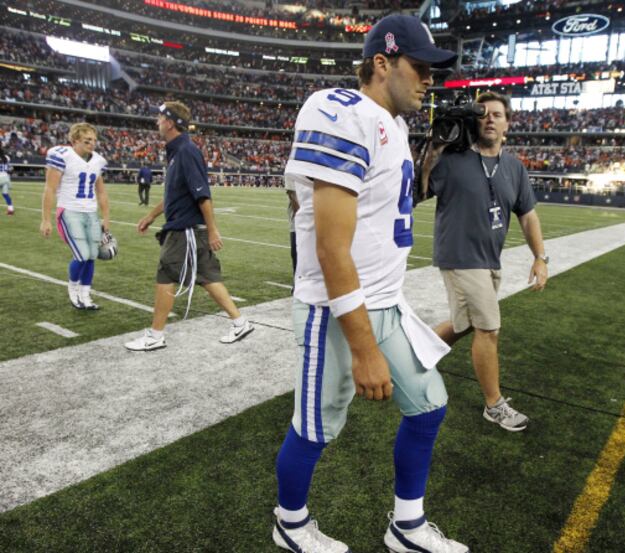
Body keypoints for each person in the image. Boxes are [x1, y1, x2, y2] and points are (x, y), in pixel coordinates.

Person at [272, 15, 468, 553]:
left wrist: (436, 156)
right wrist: (363, 349)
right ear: (382, 63)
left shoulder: (394, 124)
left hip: (386, 300)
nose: (430, 80)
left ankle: (406, 527)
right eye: (420, 67)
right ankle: (290, 525)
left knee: (428, 405)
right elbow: (332, 248)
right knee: (314, 426)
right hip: (334, 308)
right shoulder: (340, 112)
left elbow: (389, 204)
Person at [420, 90, 548, 432]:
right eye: (483, 114)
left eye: (497, 114)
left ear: (507, 123)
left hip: (489, 259)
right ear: (473, 122)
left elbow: (528, 216)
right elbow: (417, 189)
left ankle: (412, 357)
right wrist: (434, 147)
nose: (489, 118)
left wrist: (540, 257)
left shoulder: (514, 167)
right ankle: (494, 405)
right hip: (459, 256)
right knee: (489, 328)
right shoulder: (453, 159)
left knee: (463, 325)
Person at [124, 101, 253, 351]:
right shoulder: (177, 152)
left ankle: (155, 335)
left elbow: (202, 194)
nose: (157, 122)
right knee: (206, 276)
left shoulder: (186, 151)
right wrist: (151, 216)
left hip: (186, 230)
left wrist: (212, 229)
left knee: (166, 274)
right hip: (182, 228)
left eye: (160, 118)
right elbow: (173, 194)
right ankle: (240, 322)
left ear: (171, 122)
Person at [40, 123, 110, 310]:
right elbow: (50, 188)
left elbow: (101, 192)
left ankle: (85, 295)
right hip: (69, 211)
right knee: (82, 254)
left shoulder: (97, 161)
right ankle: (73, 290)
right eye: (87, 140)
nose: (92, 144)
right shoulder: (63, 155)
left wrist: (105, 217)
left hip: (90, 212)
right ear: (75, 140)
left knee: (91, 256)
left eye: (94, 140)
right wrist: (46, 219)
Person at [0, 144, 12, 215]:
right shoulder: (6, 157)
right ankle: (10, 209)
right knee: (5, 194)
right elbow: (9, 168)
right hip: (6, 177)